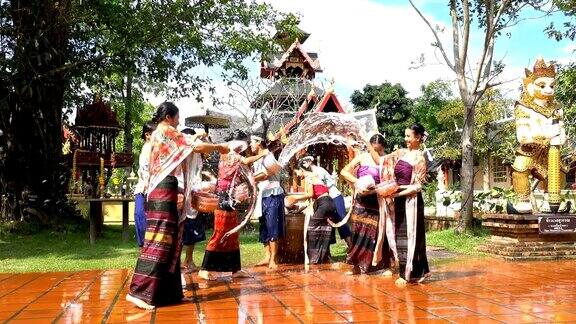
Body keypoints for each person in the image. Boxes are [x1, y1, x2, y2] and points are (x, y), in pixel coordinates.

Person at [126, 102, 228, 310]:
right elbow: (195, 147)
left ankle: (167, 293)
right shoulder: (165, 130)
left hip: (167, 189)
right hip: (163, 190)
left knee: (172, 242)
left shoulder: (160, 133)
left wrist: (198, 139)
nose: (179, 121)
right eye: (177, 117)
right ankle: (139, 292)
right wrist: (219, 147)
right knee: (160, 240)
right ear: (169, 117)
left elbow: (188, 145)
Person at [198, 130, 263, 281]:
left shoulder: (234, 155)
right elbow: (245, 161)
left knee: (233, 234)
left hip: (230, 198)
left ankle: (235, 269)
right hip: (223, 198)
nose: (244, 149)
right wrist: (263, 154)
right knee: (219, 233)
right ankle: (205, 268)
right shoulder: (227, 153)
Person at [378, 123, 430, 286]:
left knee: (412, 236)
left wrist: (397, 193)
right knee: (400, 235)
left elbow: (418, 186)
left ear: (418, 137)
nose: (405, 139)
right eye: (405, 135)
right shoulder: (403, 154)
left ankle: (409, 274)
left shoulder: (420, 157)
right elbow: (382, 161)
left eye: (408, 136)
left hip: (411, 202)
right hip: (399, 200)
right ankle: (411, 271)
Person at [340, 133, 393, 275]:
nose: (376, 152)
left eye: (379, 150)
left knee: (378, 233)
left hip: (377, 199)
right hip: (361, 200)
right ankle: (356, 265)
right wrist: (356, 181)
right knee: (358, 232)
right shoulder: (362, 157)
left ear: (383, 148)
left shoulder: (385, 159)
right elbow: (344, 171)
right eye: (374, 149)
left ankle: (382, 265)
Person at [292, 157, 339, 265]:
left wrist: (295, 198)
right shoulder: (315, 176)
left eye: (297, 172)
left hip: (324, 203)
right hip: (330, 203)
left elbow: (310, 194)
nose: (298, 175)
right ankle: (325, 257)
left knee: (311, 229)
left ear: (302, 169)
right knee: (325, 229)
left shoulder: (309, 177)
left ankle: (314, 259)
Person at [298, 156, 352, 248]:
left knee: (342, 223)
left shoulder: (318, 171)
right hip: (325, 201)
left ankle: (351, 247)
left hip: (334, 197)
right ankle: (327, 254)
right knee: (326, 224)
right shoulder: (310, 174)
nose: (300, 173)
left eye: (300, 169)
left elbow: (320, 190)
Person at [251, 135, 285, 270]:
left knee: (272, 225)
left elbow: (266, 175)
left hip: (273, 195)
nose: (250, 146)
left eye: (252, 143)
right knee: (264, 225)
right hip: (262, 195)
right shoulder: (256, 160)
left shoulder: (268, 157)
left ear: (259, 143)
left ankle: (273, 259)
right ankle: (266, 256)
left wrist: (249, 178)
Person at [179, 128, 207, 273]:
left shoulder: (198, 153)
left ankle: (188, 260)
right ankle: (184, 261)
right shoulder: (183, 148)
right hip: (184, 192)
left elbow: (207, 149)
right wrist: (196, 135)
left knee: (193, 227)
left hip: (195, 192)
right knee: (185, 227)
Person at [133, 120, 157, 248]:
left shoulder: (158, 148)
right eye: (148, 134)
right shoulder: (145, 148)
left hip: (155, 188)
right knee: (139, 214)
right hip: (142, 187)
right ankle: (143, 247)